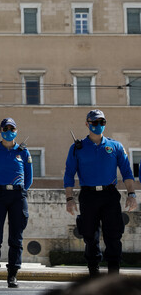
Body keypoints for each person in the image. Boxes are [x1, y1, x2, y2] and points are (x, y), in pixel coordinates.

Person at [64, 110, 137, 277]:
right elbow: (69, 174)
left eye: (101, 122)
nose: (98, 126)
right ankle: (94, 274)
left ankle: (113, 275)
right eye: (94, 122)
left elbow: (126, 172)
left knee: (114, 235)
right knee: (90, 235)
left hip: (109, 195)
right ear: (87, 124)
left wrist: (132, 194)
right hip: (88, 196)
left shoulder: (115, 146)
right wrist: (69, 199)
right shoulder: (77, 148)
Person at [0, 117, 33, 289]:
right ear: (1, 131)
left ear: (16, 131)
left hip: (18, 195)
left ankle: (13, 275)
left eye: (12, 128)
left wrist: (21, 191)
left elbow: (29, 177)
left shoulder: (24, 152)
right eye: (5, 128)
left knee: (16, 238)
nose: (9, 131)